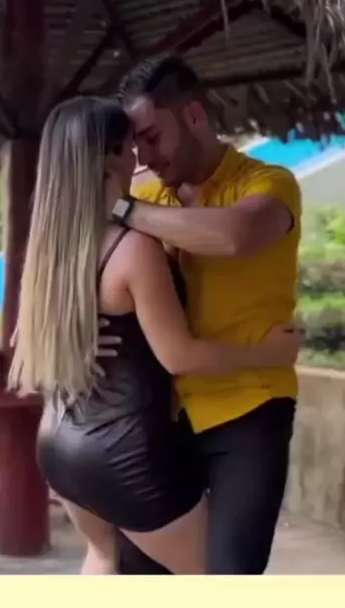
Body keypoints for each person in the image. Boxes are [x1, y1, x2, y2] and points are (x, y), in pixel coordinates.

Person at [9, 94, 300, 575]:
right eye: (131, 147)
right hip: (120, 453)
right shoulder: (133, 247)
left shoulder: (51, 247)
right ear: (110, 160)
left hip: (58, 443)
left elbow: (27, 337)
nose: (140, 159)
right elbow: (179, 356)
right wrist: (269, 352)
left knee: (104, 557)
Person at [108, 52, 302, 575]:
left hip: (249, 411)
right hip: (159, 415)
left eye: (153, 137)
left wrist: (122, 208)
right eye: (136, 145)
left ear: (194, 116)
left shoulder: (269, 182)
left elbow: (237, 236)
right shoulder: (149, 194)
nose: (145, 157)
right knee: (138, 572)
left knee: (230, 575)